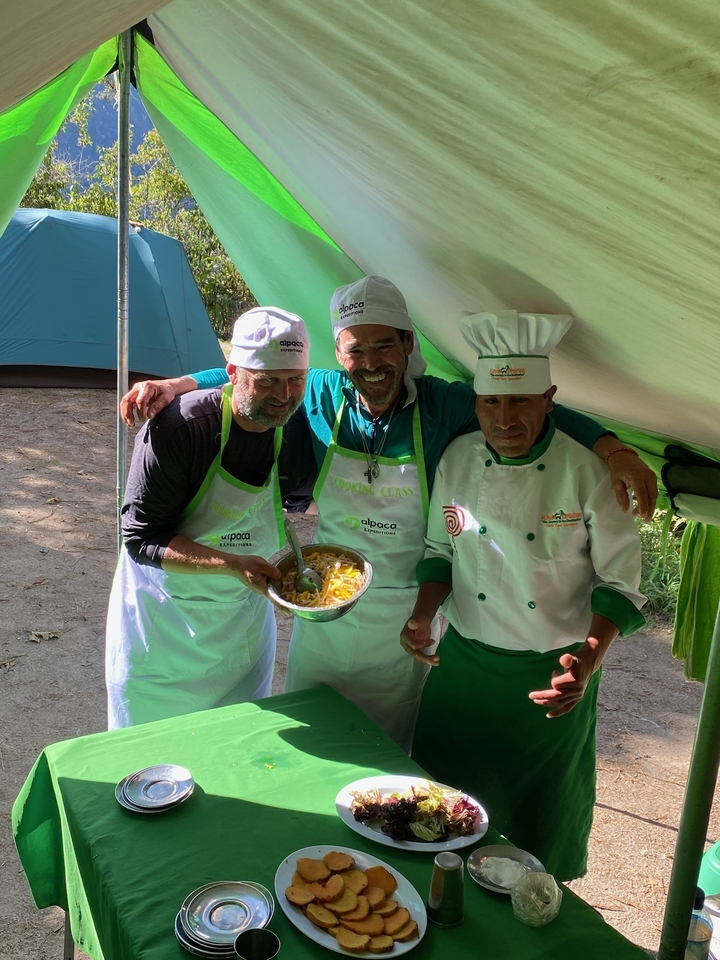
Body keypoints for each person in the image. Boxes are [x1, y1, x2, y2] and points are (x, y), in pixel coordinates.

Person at [120, 277, 657, 749]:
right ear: (339, 353)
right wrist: (180, 384)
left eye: (384, 345)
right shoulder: (321, 393)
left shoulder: (443, 405)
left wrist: (612, 449)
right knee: (315, 734)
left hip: (403, 618)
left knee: (386, 748)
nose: (372, 363)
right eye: (356, 349)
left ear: (408, 344)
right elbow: (251, 371)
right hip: (323, 609)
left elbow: (529, 400)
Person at [400, 309, 647, 880]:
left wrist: (586, 662)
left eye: (521, 402)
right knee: (440, 811)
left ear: (549, 400)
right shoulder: (458, 458)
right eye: (491, 402)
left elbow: (620, 584)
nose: (505, 418)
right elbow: (440, 550)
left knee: (537, 825)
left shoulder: (587, 471)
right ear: (476, 403)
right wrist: (422, 614)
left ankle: (535, 904)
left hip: (551, 675)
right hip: (462, 669)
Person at [106, 307, 315, 728]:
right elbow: (141, 538)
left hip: (240, 631)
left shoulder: (293, 429)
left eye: (295, 379)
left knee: (235, 741)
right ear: (233, 373)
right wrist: (232, 564)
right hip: (163, 628)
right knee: (149, 750)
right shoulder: (181, 428)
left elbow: (296, 501)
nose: (283, 395)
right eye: (267, 380)